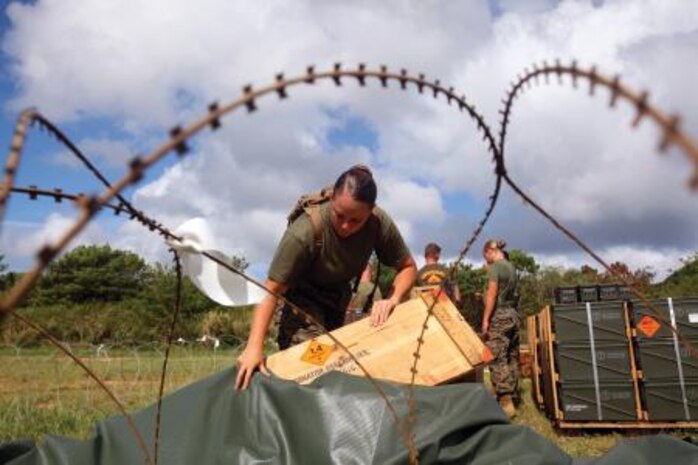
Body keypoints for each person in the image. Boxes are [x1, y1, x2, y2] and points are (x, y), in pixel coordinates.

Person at [235, 165, 417, 389]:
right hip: (300, 302)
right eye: (339, 215)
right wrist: (254, 347)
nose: (345, 226)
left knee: (343, 367)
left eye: (355, 221)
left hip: (338, 300)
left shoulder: (379, 224)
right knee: (313, 366)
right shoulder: (305, 231)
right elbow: (270, 290)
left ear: (371, 211)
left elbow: (408, 267)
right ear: (332, 198)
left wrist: (393, 298)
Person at [481, 239, 520, 418]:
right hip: (513, 314)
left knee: (497, 356)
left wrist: (486, 319)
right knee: (511, 356)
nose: (486, 260)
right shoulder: (512, 268)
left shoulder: (496, 268)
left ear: (490, 251)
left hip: (500, 315)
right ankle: (512, 394)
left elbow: (492, 293)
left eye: (485, 256)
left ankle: (506, 403)